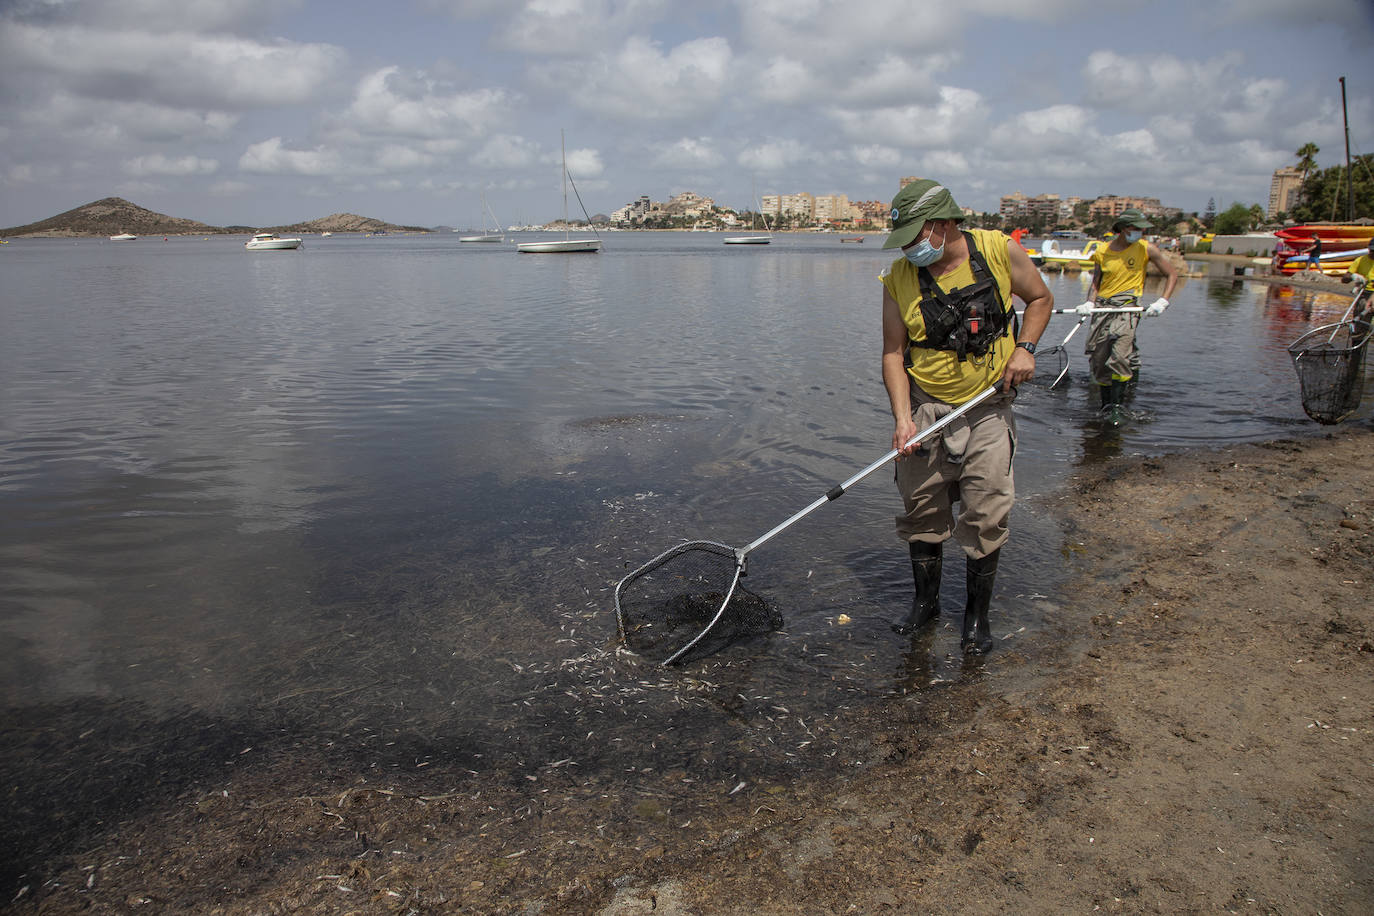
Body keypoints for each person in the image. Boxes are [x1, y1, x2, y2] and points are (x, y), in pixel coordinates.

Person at [880, 180, 1053, 654]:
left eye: (918, 235)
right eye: (907, 239)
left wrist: (1025, 349)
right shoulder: (898, 276)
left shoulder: (999, 250)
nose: (914, 247)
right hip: (925, 409)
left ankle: (976, 617)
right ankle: (926, 604)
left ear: (943, 223)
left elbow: (1040, 299)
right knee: (922, 509)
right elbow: (893, 354)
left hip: (987, 408)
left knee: (986, 510)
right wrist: (902, 418)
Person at [1074, 208, 1179, 425]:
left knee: (1120, 357)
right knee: (1099, 360)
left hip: (1128, 307)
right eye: (1136, 228)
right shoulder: (1103, 251)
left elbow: (1171, 274)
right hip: (1103, 307)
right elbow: (1097, 280)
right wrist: (1089, 302)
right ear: (1123, 229)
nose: (1140, 232)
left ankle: (1118, 407)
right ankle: (1105, 406)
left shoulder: (1146, 249)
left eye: (1142, 229)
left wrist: (1163, 301)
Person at [1342, 237, 1374, 321]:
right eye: (1372, 251)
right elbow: (1344, 279)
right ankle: (1359, 331)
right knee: (1362, 310)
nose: (1373, 253)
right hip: (1365, 293)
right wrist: (1353, 276)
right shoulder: (1360, 260)